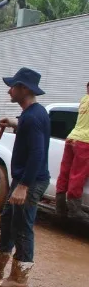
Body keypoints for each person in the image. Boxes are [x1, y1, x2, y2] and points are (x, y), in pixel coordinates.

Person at [0, 68, 50, 287]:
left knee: (22, 227)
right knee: (7, 221)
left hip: (30, 180)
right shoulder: (32, 115)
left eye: (13, 86)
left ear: (23, 89)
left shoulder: (33, 117)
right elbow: (33, 136)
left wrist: (23, 186)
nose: (9, 90)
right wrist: (15, 124)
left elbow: (37, 153)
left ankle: (19, 279)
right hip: (24, 178)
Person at [55, 81, 89, 219]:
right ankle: (75, 209)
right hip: (85, 140)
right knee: (77, 174)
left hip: (72, 137)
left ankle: (60, 207)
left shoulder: (84, 99)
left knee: (65, 172)